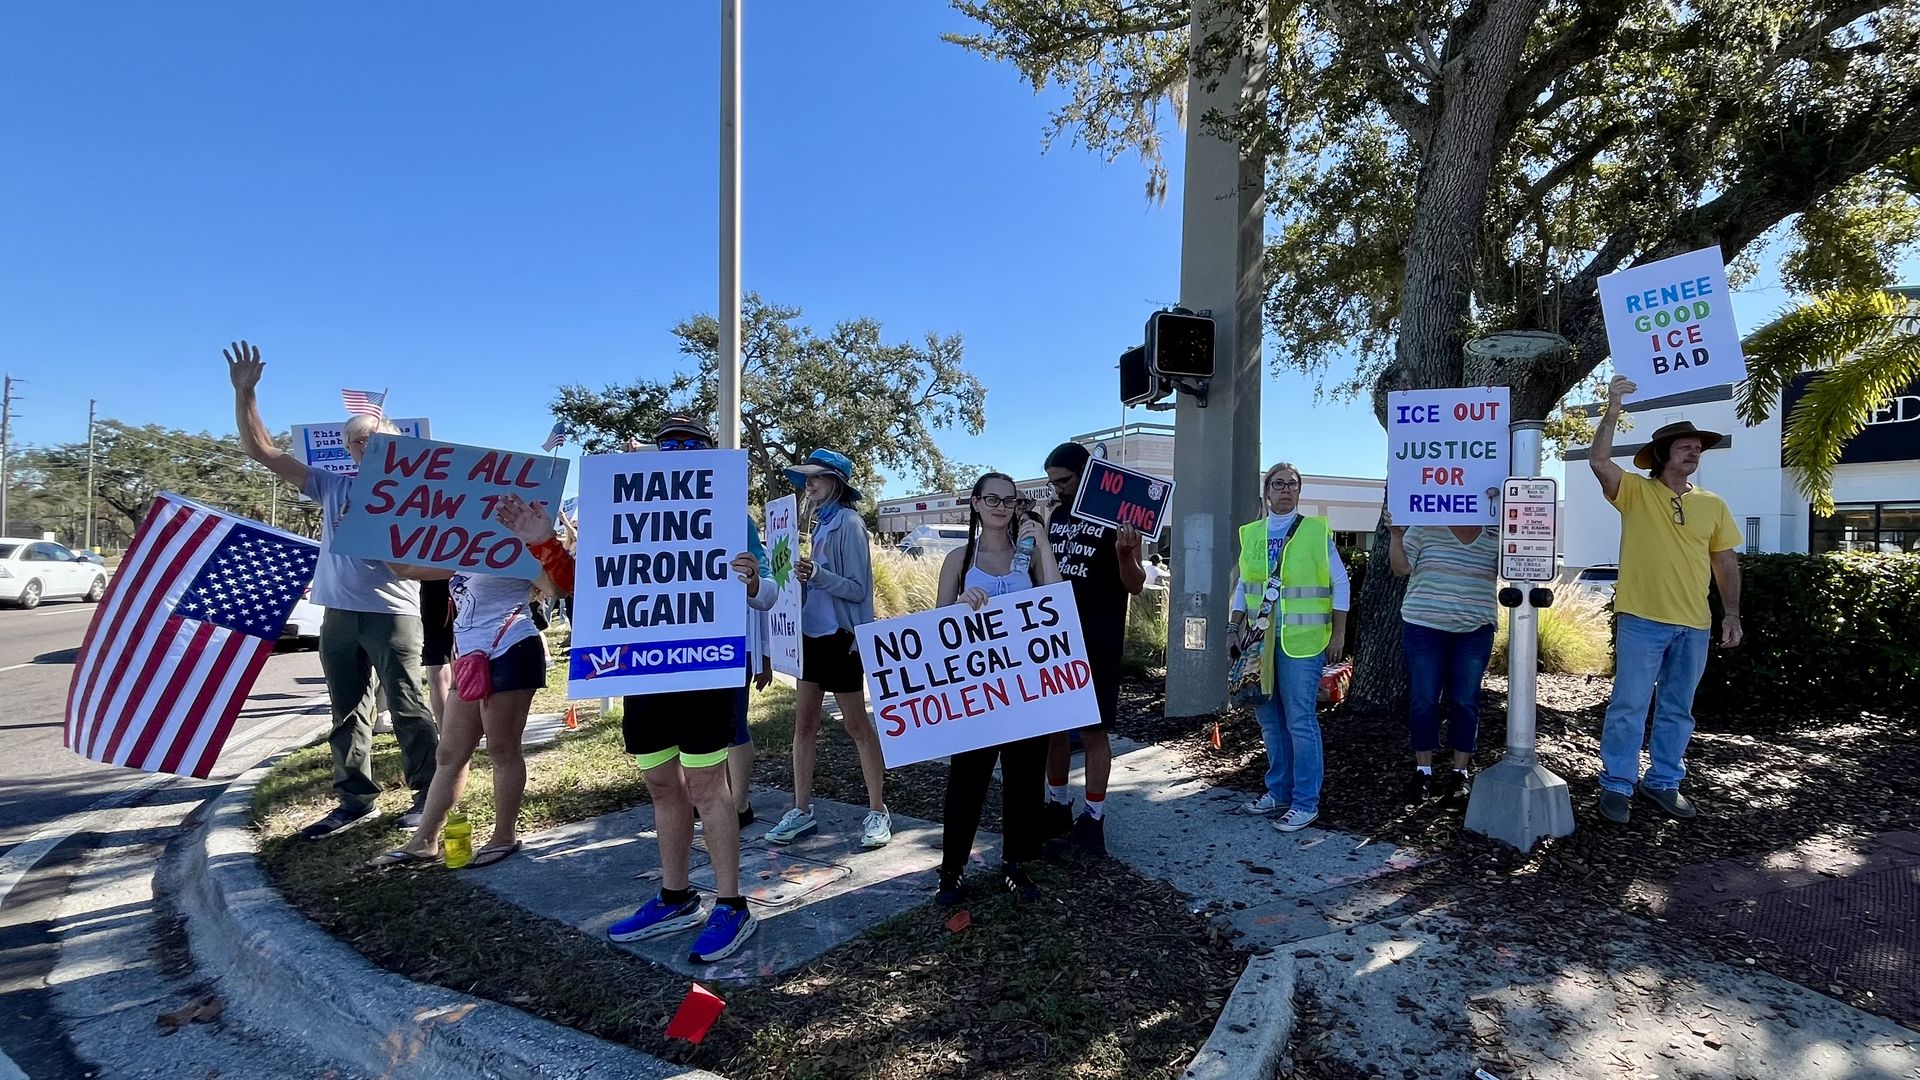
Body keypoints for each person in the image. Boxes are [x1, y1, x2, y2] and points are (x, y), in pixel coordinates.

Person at [226, 341, 438, 839]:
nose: (363, 446)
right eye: (355, 441)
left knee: (408, 706)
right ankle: (353, 797)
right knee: (346, 712)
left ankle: (428, 791)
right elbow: (262, 450)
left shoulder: (415, 496)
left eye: (372, 439)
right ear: (347, 450)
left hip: (393, 613)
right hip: (338, 614)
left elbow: (442, 551)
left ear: (393, 446)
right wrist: (246, 394)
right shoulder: (332, 487)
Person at [606, 417, 776, 963]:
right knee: (661, 784)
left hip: (706, 666)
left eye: (689, 446)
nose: (676, 453)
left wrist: (753, 582)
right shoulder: (631, 514)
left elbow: (770, 592)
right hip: (646, 667)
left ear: (708, 454)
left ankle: (732, 905)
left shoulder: (733, 515)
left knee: (707, 787)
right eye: (667, 446)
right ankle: (675, 896)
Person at [371, 492, 559, 870]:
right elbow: (404, 569)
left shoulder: (518, 550)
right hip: (470, 659)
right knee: (449, 752)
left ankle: (504, 835)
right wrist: (375, 525)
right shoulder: (466, 552)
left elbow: (557, 587)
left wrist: (541, 544)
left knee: (502, 750)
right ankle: (424, 840)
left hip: (512, 649)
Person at [1588, 375, 1743, 824]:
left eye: (1698, 447)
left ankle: (1663, 782)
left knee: (1678, 709)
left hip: (1694, 625)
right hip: (1642, 619)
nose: (1694, 452)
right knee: (1629, 706)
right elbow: (1598, 460)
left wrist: (1730, 613)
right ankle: (1617, 784)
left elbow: (1725, 562)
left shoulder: (1712, 503)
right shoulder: (1636, 491)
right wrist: (1614, 406)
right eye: (1685, 446)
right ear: (1662, 454)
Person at [934, 473, 1063, 904]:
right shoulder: (958, 558)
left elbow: (1059, 604)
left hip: (1026, 688)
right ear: (975, 503)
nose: (1001, 506)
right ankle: (951, 870)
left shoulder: (1030, 555)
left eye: (1010, 500)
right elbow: (935, 626)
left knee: (1025, 776)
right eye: (992, 498)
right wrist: (957, 607)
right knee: (967, 778)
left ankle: (1015, 862)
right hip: (978, 691)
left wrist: (1042, 544)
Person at [762, 449, 892, 849]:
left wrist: (817, 575)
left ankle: (878, 811)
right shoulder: (820, 523)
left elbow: (857, 589)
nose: (809, 484)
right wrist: (802, 579)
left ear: (837, 481)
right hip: (811, 637)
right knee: (804, 726)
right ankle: (801, 810)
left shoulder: (850, 523)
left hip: (841, 638)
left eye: (817, 477)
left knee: (856, 726)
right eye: (806, 479)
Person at [1227, 462, 1349, 833]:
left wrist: (1339, 634)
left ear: (1299, 491)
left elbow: (1339, 583)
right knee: (1269, 720)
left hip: (1303, 643)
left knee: (1300, 721)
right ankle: (1277, 792)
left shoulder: (1314, 532)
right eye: (1278, 483)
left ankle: (1305, 802)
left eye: (1292, 484)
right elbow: (1242, 586)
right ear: (1266, 491)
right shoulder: (1252, 534)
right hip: (1258, 642)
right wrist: (1233, 627)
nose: (1285, 489)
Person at [1040, 442, 1146, 857]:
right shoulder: (1058, 515)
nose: (1057, 489)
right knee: (1053, 728)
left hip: (1097, 640)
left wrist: (1124, 554)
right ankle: (1057, 806)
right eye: (1052, 482)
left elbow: (1135, 583)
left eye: (1063, 481)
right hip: (1054, 640)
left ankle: (1093, 821)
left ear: (1086, 474)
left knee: (1093, 731)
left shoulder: (1114, 518)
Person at [1385, 505, 1498, 806]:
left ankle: (1459, 774)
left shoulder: (1495, 531)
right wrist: (1397, 535)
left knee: (1465, 700)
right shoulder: (1426, 525)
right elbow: (1400, 568)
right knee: (1424, 699)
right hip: (1425, 626)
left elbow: (1515, 567)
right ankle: (1424, 771)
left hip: (1475, 629)